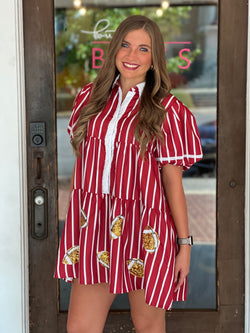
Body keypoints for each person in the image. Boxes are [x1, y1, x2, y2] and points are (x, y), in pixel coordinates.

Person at [55, 15, 203, 333]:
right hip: (95, 225)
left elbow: (172, 180)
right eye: (125, 45)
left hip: (146, 228)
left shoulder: (168, 110)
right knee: (80, 326)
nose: (131, 56)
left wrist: (185, 245)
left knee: (148, 325)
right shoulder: (89, 100)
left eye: (143, 49)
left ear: (154, 59)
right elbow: (87, 166)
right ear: (114, 49)